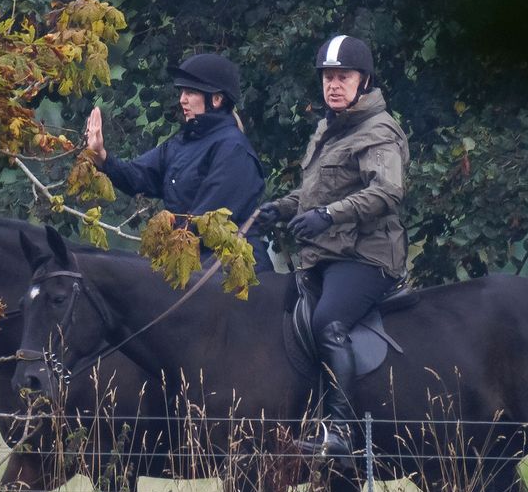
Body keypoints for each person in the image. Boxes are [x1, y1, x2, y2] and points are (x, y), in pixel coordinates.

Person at [255, 35, 409, 462]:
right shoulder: (328, 127)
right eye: (328, 77)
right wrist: (282, 209)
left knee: (327, 321)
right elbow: (315, 194)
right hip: (323, 256)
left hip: (367, 255)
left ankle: (341, 429)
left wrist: (329, 216)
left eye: (343, 76)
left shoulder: (379, 131)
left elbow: (386, 192)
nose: (334, 85)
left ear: (364, 81)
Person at [85, 53, 272, 271]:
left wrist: (164, 251)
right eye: (182, 92)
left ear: (217, 99)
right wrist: (101, 156)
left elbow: (206, 222)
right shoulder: (181, 143)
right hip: (190, 262)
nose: (182, 99)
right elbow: (138, 176)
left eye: (190, 92)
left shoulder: (234, 149)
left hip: (230, 269)